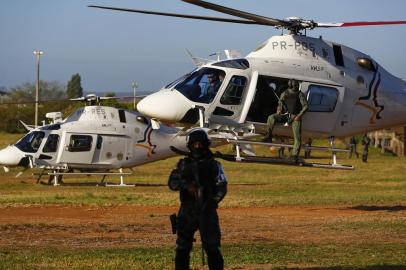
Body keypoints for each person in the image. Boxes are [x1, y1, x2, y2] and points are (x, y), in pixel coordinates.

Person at [168, 129, 228, 270]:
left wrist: (212, 201)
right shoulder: (183, 165)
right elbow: (172, 183)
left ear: (205, 144)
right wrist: (186, 185)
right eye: (194, 144)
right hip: (188, 210)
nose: (197, 147)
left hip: (208, 210)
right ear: (190, 145)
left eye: (200, 144)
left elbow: (222, 186)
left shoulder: (215, 165)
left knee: (212, 247)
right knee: (182, 247)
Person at [264, 79, 308, 162]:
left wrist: (299, 116)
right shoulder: (285, 93)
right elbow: (280, 102)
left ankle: (294, 155)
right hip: (285, 115)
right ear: (290, 86)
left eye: (297, 85)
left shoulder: (300, 95)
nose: (297, 87)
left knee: (298, 139)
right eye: (295, 86)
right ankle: (268, 136)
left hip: (295, 117)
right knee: (271, 117)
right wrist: (279, 109)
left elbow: (305, 106)